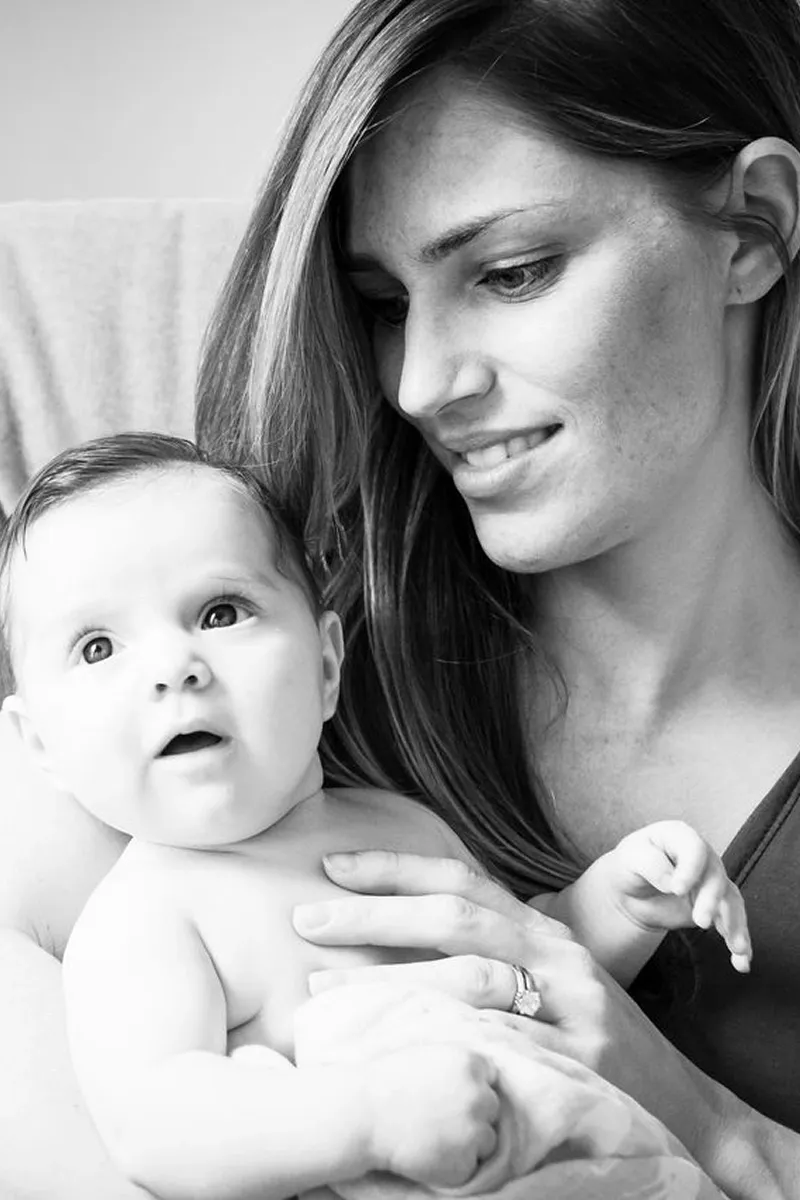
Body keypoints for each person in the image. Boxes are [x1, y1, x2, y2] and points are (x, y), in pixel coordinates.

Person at [2, 1, 800, 1198]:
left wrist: (698, 1111)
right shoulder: (258, 672)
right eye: (382, 304)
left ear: (753, 225)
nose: (419, 383)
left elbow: (545, 952)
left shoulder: (299, 699)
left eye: (511, 272)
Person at [0, 430, 748, 1200]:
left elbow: (523, 972)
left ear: (326, 666)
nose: (173, 668)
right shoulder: (145, 920)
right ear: (39, 745)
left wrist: (617, 908)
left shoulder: (403, 828)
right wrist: (369, 1120)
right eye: (98, 648)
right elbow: (157, 1126)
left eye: (221, 613)